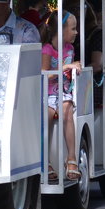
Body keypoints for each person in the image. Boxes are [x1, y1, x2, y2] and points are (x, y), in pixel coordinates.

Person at [42, 13, 83, 182]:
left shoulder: (69, 49)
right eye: (73, 29)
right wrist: (66, 66)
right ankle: (45, 161)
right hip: (49, 92)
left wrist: (76, 66)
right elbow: (45, 73)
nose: (76, 32)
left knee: (66, 111)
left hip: (64, 91)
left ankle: (71, 158)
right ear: (61, 30)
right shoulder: (47, 49)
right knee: (48, 116)